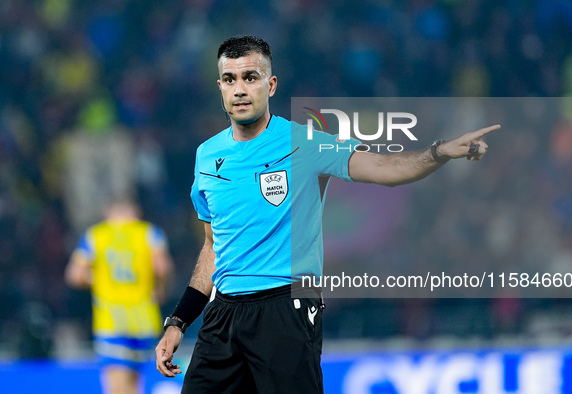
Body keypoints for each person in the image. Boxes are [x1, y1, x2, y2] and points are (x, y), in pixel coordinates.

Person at [155, 35, 500, 393]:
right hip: (223, 313)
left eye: (250, 77)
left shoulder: (306, 142)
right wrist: (179, 321)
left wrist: (440, 151)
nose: (240, 89)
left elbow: (385, 168)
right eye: (230, 80)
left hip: (286, 304)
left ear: (271, 85)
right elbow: (212, 247)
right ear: (220, 87)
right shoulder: (207, 156)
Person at [66, 197, 173, 394]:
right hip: (144, 320)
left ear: (109, 211)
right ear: (136, 211)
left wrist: (99, 280)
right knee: (134, 385)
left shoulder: (96, 235)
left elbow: (75, 275)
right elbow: (162, 267)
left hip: (112, 320)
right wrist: (160, 288)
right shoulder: (149, 233)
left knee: (115, 387)